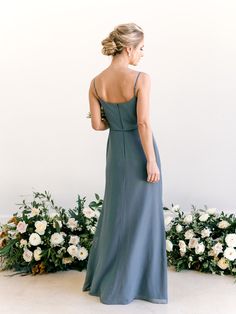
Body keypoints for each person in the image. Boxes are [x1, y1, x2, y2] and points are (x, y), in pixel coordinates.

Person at [82, 22, 168, 305]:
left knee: (116, 215)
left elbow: (96, 125)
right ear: (129, 48)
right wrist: (152, 161)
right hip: (140, 152)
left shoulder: (96, 82)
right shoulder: (140, 78)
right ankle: (138, 284)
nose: (142, 54)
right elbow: (143, 122)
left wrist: (114, 119)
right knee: (143, 217)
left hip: (115, 155)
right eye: (141, 49)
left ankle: (106, 280)